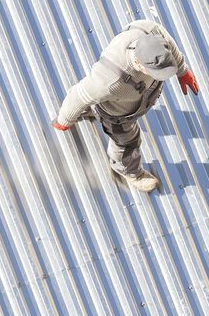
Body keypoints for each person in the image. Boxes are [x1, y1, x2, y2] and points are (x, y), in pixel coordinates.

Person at [52, 20, 199, 192]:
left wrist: (182, 70)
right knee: (128, 143)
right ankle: (128, 171)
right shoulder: (109, 79)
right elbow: (78, 95)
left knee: (96, 99)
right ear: (138, 62)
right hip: (118, 115)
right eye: (157, 72)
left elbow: (167, 41)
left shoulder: (150, 33)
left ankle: (91, 109)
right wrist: (65, 120)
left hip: (129, 98)